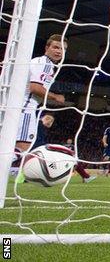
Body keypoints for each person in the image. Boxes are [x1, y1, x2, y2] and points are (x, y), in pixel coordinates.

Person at [15, 34, 67, 183]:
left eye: (63, 49)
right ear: (47, 48)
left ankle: (22, 176)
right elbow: (35, 88)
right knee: (22, 148)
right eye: (56, 47)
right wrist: (55, 97)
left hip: (19, 106)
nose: (59, 51)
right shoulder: (45, 64)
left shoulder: (39, 62)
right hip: (25, 108)